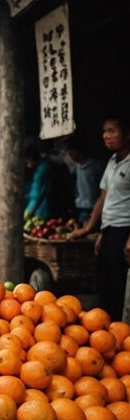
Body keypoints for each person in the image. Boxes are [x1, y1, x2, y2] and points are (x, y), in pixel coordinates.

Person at [72, 115, 130, 321]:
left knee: (119, 283)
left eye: (112, 131)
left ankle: (122, 331)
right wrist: (92, 230)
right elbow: (103, 198)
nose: (106, 136)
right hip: (109, 230)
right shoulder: (112, 161)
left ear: (127, 134)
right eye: (104, 131)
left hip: (125, 229)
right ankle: (107, 328)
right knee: (104, 282)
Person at [66, 141, 103, 225]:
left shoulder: (95, 165)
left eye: (71, 150)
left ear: (77, 150)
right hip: (80, 207)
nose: (69, 154)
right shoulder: (76, 167)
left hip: (94, 207)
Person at [24, 143, 54, 220]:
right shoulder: (41, 167)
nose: (26, 164)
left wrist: (27, 213)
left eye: (27, 160)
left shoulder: (41, 171)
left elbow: (36, 195)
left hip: (42, 211)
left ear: (31, 158)